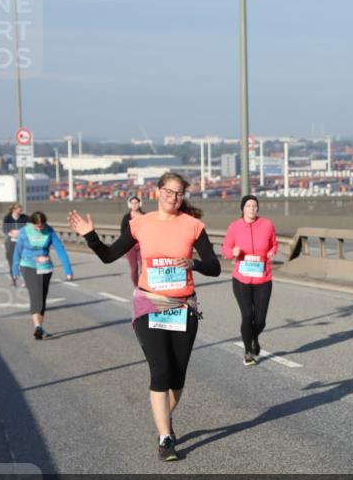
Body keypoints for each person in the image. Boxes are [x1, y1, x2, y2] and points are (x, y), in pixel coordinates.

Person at [68, 173, 221, 462]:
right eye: (168, 191)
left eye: (178, 194)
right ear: (158, 191)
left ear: (183, 196)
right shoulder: (141, 224)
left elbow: (214, 267)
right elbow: (108, 255)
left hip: (182, 307)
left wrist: (194, 264)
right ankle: (165, 438)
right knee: (161, 370)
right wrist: (90, 235)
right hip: (149, 303)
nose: (173, 197)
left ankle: (163, 417)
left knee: (177, 377)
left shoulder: (193, 226)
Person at [221, 194, 278, 366]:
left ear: (257, 208)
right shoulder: (234, 227)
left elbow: (273, 244)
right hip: (241, 280)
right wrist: (233, 252)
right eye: (248, 206)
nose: (252, 208)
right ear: (242, 209)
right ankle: (248, 351)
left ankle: (253, 337)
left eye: (254, 205)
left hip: (263, 278)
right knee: (247, 315)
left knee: (260, 320)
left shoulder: (267, 225)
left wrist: (272, 252)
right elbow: (225, 250)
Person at [12, 212, 74, 339]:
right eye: (37, 227)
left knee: (42, 297)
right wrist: (15, 271)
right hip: (28, 266)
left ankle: (39, 328)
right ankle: (37, 327)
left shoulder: (49, 231)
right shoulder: (24, 232)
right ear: (32, 223)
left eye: (42, 226)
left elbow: (60, 249)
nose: (40, 229)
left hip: (45, 268)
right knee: (35, 294)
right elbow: (17, 251)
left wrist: (68, 270)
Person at [2, 203, 30, 286]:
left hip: (22, 242)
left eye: (21, 209)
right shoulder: (7, 218)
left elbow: (29, 227)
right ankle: (13, 278)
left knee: (24, 261)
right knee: (12, 261)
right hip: (11, 242)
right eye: (19, 209)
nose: (20, 211)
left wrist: (21, 233)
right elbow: (5, 229)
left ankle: (25, 280)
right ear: (13, 210)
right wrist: (12, 234)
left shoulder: (25, 218)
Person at [121, 195, 144, 286]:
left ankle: (142, 286)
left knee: (144, 268)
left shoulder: (145, 216)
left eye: (136, 203)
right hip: (130, 247)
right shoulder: (126, 217)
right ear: (129, 205)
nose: (134, 205)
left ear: (140, 204)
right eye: (132, 203)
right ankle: (136, 287)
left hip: (142, 246)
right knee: (134, 269)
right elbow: (123, 232)